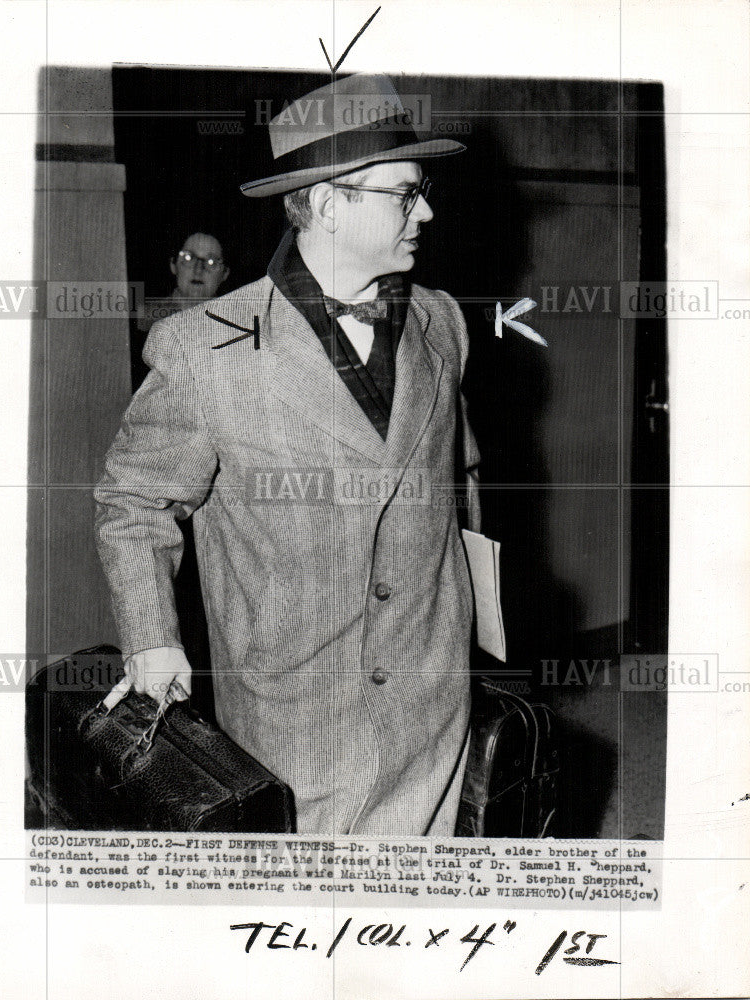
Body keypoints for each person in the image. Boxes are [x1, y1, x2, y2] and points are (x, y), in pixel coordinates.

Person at [94, 73, 484, 835]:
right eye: (407, 193)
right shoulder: (204, 347)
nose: (427, 210)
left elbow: (460, 478)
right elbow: (134, 502)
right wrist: (151, 639)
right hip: (295, 728)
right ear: (333, 203)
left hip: (435, 707)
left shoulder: (442, 323)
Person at [137, 232, 229, 331]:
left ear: (225, 273)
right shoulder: (144, 320)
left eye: (211, 262)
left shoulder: (233, 322)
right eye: (188, 258)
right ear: (173, 265)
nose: (198, 270)